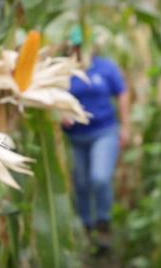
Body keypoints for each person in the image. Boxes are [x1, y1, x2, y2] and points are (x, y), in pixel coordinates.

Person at [62, 26, 130, 255]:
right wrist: (61, 114)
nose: (78, 50)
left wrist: (126, 126)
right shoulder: (66, 72)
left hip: (105, 132)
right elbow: (56, 99)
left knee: (99, 178)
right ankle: (86, 228)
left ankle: (103, 223)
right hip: (77, 137)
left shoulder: (105, 67)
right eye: (75, 46)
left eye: (82, 45)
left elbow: (122, 93)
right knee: (80, 184)